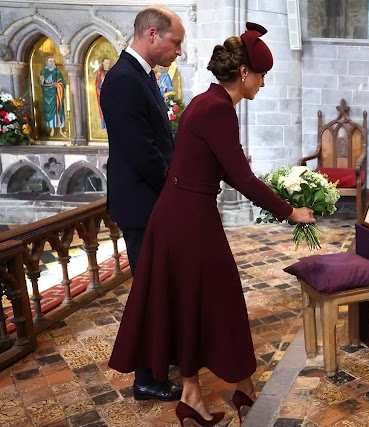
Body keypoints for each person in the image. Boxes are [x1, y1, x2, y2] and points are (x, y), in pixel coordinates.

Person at [108, 21, 316, 426]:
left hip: (186, 214)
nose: (263, 84)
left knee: (196, 302)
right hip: (188, 219)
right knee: (222, 300)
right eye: (262, 76)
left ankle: (194, 396)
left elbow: (223, 169)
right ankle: (239, 388)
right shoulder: (217, 109)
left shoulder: (208, 103)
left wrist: (278, 197)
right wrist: (290, 211)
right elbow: (239, 175)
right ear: (243, 74)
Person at [100, 6, 185, 402]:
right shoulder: (121, 79)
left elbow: (158, 140)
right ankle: (146, 378)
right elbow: (141, 151)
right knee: (149, 289)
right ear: (152, 35)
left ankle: (158, 359)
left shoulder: (142, 76)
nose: (178, 51)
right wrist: (175, 188)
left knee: (158, 285)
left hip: (150, 201)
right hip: (141, 204)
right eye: (175, 42)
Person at [39, 56, 67, 137]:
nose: (52, 62)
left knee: (59, 110)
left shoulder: (57, 71)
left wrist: (59, 85)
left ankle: (61, 129)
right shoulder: (44, 71)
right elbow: (41, 83)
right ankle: (52, 129)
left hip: (57, 94)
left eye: (53, 61)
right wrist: (42, 81)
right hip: (48, 95)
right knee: (50, 111)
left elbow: (63, 82)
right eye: (50, 61)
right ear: (47, 62)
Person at [95, 57, 111, 129]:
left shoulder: (111, 72)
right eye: (106, 63)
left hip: (111, 96)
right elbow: (97, 85)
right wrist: (102, 83)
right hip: (103, 96)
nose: (108, 64)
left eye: (109, 63)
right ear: (103, 63)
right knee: (104, 111)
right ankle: (104, 127)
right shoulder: (100, 73)